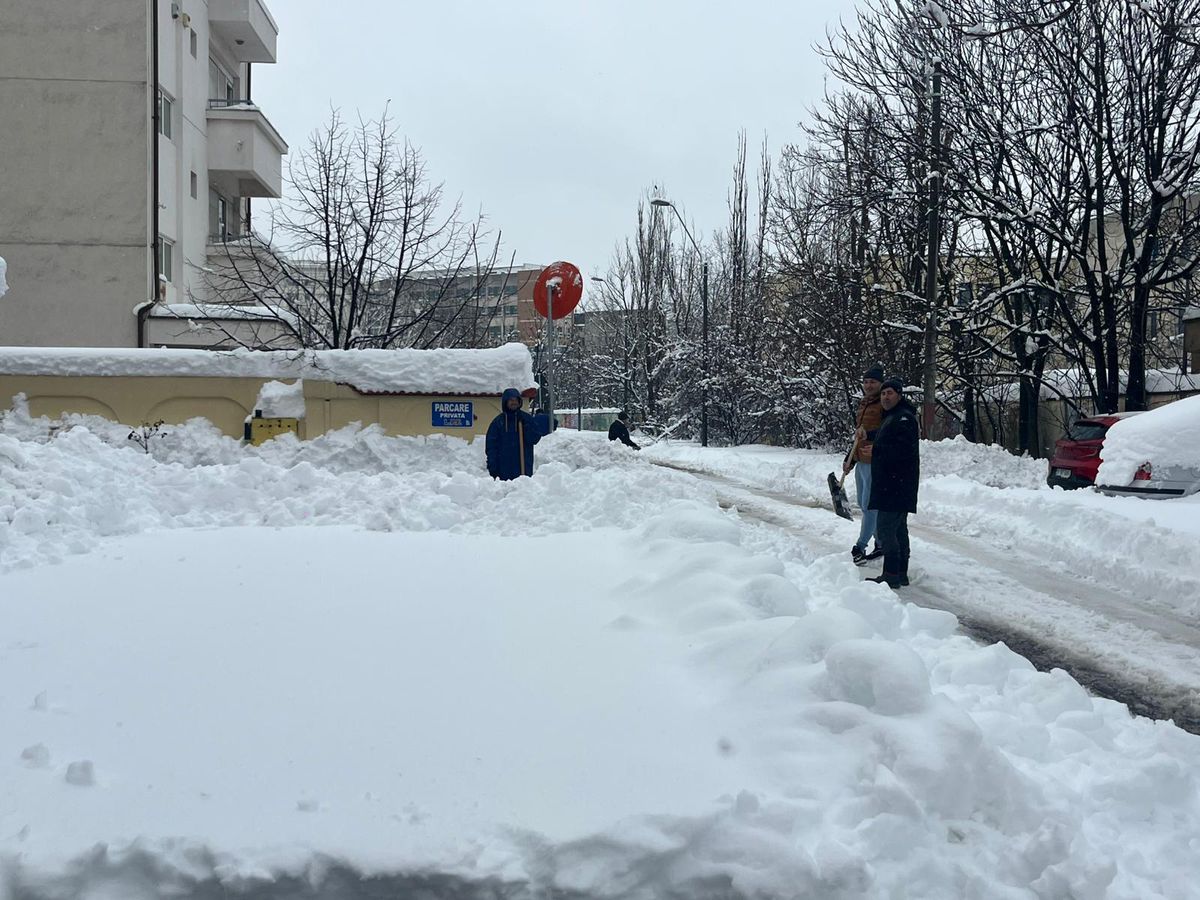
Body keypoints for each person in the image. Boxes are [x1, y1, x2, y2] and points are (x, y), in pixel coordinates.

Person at [868, 377, 920, 588]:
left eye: (890, 393)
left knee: (886, 530)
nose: (885, 397)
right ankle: (900, 573)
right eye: (883, 393)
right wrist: (868, 434)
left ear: (899, 395)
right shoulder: (894, 417)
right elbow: (886, 435)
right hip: (894, 485)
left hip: (896, 485)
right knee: (898, 530)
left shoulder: (904, 418)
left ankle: (891, 574)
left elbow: (902, 450)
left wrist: (875, 450)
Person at [843, 365, 885, 565]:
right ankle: (881, 543)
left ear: (880, 384)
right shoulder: (863, 404)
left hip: (875, 462)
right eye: (866, 382)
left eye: (873, 382)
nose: (869, 385)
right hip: (861, 460)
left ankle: (860, 547)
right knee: (863, 503)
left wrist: (873, 440)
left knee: (869, 507)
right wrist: (850, 459)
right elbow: (858, 437)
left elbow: (887, 431)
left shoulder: (883, 404)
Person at [485, 388, 543, 480]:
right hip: (503, 470)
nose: (514, 402)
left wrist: (526, 426)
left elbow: (535, 438)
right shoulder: (498, 422)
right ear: (505, 402)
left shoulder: (526, 419)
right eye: (511, 400)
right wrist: (492, 466)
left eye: (516, 400)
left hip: (523, 469)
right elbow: (491, 446)